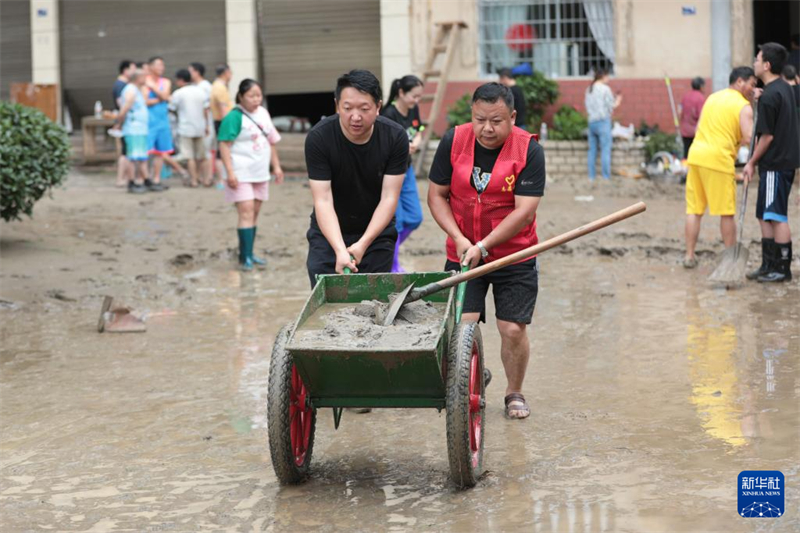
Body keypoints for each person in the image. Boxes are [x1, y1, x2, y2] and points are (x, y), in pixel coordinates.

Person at [427, 82, 545, 420]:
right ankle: (472, 375)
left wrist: (484, 245)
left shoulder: (528, 150)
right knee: (461, 326)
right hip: (464, 251)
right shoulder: (453, 141)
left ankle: (514, 392)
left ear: (512, 117)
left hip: (513, 254)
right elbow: (437, 196)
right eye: (480, 120)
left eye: (496, 121)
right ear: (471, 115)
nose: (487, 129)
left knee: (512, 328)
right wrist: (461, 240)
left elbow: (524, 211)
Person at [304, 69, 408, 287]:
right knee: (326, 302)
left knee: (372, 304)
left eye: (364, 108)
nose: (355, 117)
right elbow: (322, 199)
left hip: (376, 233)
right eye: (347, 108)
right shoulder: (319, 138)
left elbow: (389, 197)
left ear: (378, 107)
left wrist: (363, 244)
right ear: (336, 105)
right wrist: (340, 249)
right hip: (329, 232)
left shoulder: (395, 137)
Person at [682, 67, 756, 269]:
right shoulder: (744, 106)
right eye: (752, 84)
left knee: (694, 210)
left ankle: (689, 255)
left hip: (696, 156)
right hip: (718, 160)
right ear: (740, 82)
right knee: (726, 212)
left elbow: (698, 129)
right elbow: (749, 138)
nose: (753, 89)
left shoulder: (712, 98)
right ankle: (730, 259)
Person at [743, 43, 800, 282]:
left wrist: (751, 162)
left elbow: (767, 136)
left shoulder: (771, 96)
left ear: (766, 65)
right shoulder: (782, 88)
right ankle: (768, 264)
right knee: (764, 214)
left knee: (776, 215)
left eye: (757, 58)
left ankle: (782, 268)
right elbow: (771, 105)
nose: (754, 62)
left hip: (775, 163)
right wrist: (759, 97)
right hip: (782, 162)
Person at [217, 79, 284, 271]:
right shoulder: (234, 117)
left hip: (260, 172)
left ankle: (250, 253)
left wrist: (276, 167)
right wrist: (230, 173)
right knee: (245, 212)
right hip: (240, 173)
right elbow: (224, 144)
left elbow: (271, 141)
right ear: (241, 96)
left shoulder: (263, 113)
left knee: (254, 213)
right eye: (251, 96)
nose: (256, 99)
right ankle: (244, 257)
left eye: (259, 96)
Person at [381, 75, 425, 272]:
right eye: (413, 96)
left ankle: (388, 248)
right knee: (395, 222)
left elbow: (419, 127)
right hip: (390, 172)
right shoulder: (388, 113)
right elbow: (382, 144)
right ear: (401, 93)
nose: (416, 101)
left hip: (407, 169)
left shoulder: (413, 109)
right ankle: (393, 265)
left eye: (419, 97)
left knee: (415, 217)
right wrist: (402, 147)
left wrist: (416, 140)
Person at [170, 69, 210, 187]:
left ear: (180, 80)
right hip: (200, 127)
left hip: (185, 128)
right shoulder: (200, 91)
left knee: (189, 157)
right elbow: (206, 110)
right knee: (202, 156)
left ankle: (194, 181)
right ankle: (206, 179)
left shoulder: (178, 93)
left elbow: (171, 108)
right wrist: (207, 125)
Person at [112, 67, 149, 194]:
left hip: (139, 128)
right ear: (138, 78)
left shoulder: (137, 90)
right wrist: (119, 122)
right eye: (144, 76)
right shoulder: (130, 90)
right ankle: (132, 182)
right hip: (133, 128)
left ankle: (145, 180)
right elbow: (125, 108)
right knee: (132, 157)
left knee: (141, 156)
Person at [584, 69, 622, 181]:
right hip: (603, 121)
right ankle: (606, 177)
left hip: (591, 122)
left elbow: (587, 106)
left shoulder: (588, 89)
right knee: (605, 150)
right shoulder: (605, 89)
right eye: (608, 76)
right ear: (603, 76)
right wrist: (618, 101)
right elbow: (611, 106)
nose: (609, 79)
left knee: (592, 151)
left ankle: (591, 177)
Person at [143, 56, 173, 191]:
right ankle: (145, 178)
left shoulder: (165, 81)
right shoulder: (144, 82)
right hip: (149, 122)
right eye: (158, 65)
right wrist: (162, 98)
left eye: (162, 65)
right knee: (146, 152)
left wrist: (153, 89)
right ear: (150, 67)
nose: (161, 68)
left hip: (163, 122)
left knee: (161, 152)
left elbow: (166, 97)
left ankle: (156, 179)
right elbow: (144, 101)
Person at [189, 62, 214, 184]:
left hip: (205, 125)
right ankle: (199, 176)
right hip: (197, 125)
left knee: (205, 152)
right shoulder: (195, 86)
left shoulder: (205, 86)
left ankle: (208, 178)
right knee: (198, 153)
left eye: (191, 71)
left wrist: (207, 125)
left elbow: (207, 107)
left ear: (197, 72)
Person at [113, 60, 136, 187]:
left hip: (126, 122)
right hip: (126, 122)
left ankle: (125, 177)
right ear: (125, 70)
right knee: (125, 152)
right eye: (132, 69)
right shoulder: (121, 85)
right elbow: (122, 105)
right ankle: (120, 178)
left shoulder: (123, 84)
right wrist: (120, 121)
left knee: (126, 151)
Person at [679, 77, 706, 159]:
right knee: (697, 156)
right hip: (696, 132)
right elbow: (702, 116)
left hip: (685, 131)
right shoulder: (700, 98)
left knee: (686, 154)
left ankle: (685, 170)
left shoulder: (685, 96)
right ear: (701, 86)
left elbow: (680, 112)